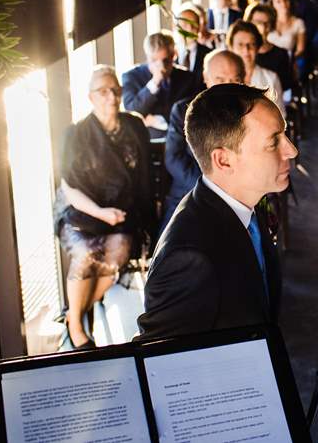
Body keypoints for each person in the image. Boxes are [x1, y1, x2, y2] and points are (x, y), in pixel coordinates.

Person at [137, 84, 298, 339]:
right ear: (223, 160)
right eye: (273, 142)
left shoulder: (248, 204)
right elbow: (161, 362)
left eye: (285, 136)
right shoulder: (187, 258)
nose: (291, 150)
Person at [55, 65, 154, 348]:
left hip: (123, 213)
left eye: (115, 90)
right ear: (90, 97)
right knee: (86, 253)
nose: (111, 96)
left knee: (118, 252)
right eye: (103, 91)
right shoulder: (75, 134)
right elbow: (68, 188)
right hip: (81, 212)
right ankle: (76, 322)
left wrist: (149, 221)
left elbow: (145, 177)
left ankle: (81, 305)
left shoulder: (134, 125)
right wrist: (100, 213)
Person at [162, 50, 244, 228]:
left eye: (235, 80)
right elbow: (173, 159)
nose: (227, 88)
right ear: (206, 78)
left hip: (236, 195)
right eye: (220, 80)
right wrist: (212, 189)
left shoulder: (251, 113)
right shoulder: (183, 110)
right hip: (189, 191)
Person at [122, 31, 196, 139]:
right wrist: (155, 82)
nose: (161, 67)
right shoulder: (131, 76)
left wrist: (158, 121)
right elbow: (133, 112)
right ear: (147, 57)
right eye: (154, 60)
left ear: (173, 56)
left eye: (165, 60)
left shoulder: (187, 78)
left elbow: (190, 115)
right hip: (148, 140)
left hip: (181, 140)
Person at [228, 20, 285, 117]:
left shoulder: (271, 78)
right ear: (231, 47)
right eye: (240, 45)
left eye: (252, 44)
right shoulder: (222, 79)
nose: (246, 50)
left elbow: (281, 116)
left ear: (258, 48)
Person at [247, 4, 295, 93]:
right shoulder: (242, 53)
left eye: (267, 23)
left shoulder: (281, 54)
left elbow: (285, 88)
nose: (263, 27)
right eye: (258, 22)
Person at [175, 3, 213, 93]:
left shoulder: (209, 54)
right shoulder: (170, 53)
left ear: (199, 27)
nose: (189, 28)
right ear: (176, 26)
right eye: (185, 24)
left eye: (193, 24)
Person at [270, 0, 308, 76]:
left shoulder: (298, 22)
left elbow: (300, 49)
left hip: (289, 60)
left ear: (290, 1)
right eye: (278, 1)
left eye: (285, 0)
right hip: (269, 60)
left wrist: (288, 60)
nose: (283, 4)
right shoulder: (269, 22)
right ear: (273, 4)